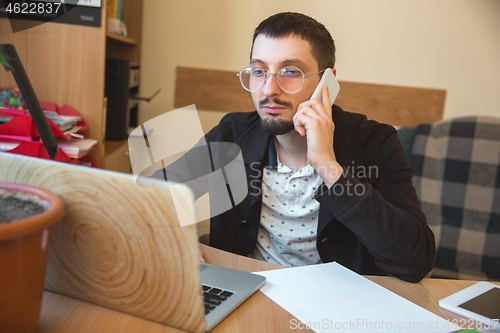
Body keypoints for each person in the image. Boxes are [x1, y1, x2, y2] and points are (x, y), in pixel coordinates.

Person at [163, 12, 436, 283]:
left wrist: (330, 168)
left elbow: (414, 261)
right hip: (246, 292)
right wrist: (177, 237)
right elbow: (151, 195)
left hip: (338, 304)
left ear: (326, 82)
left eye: (290, 72)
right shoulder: (231, 134)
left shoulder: (376, 142)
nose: (269, 89)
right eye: (259, 71)